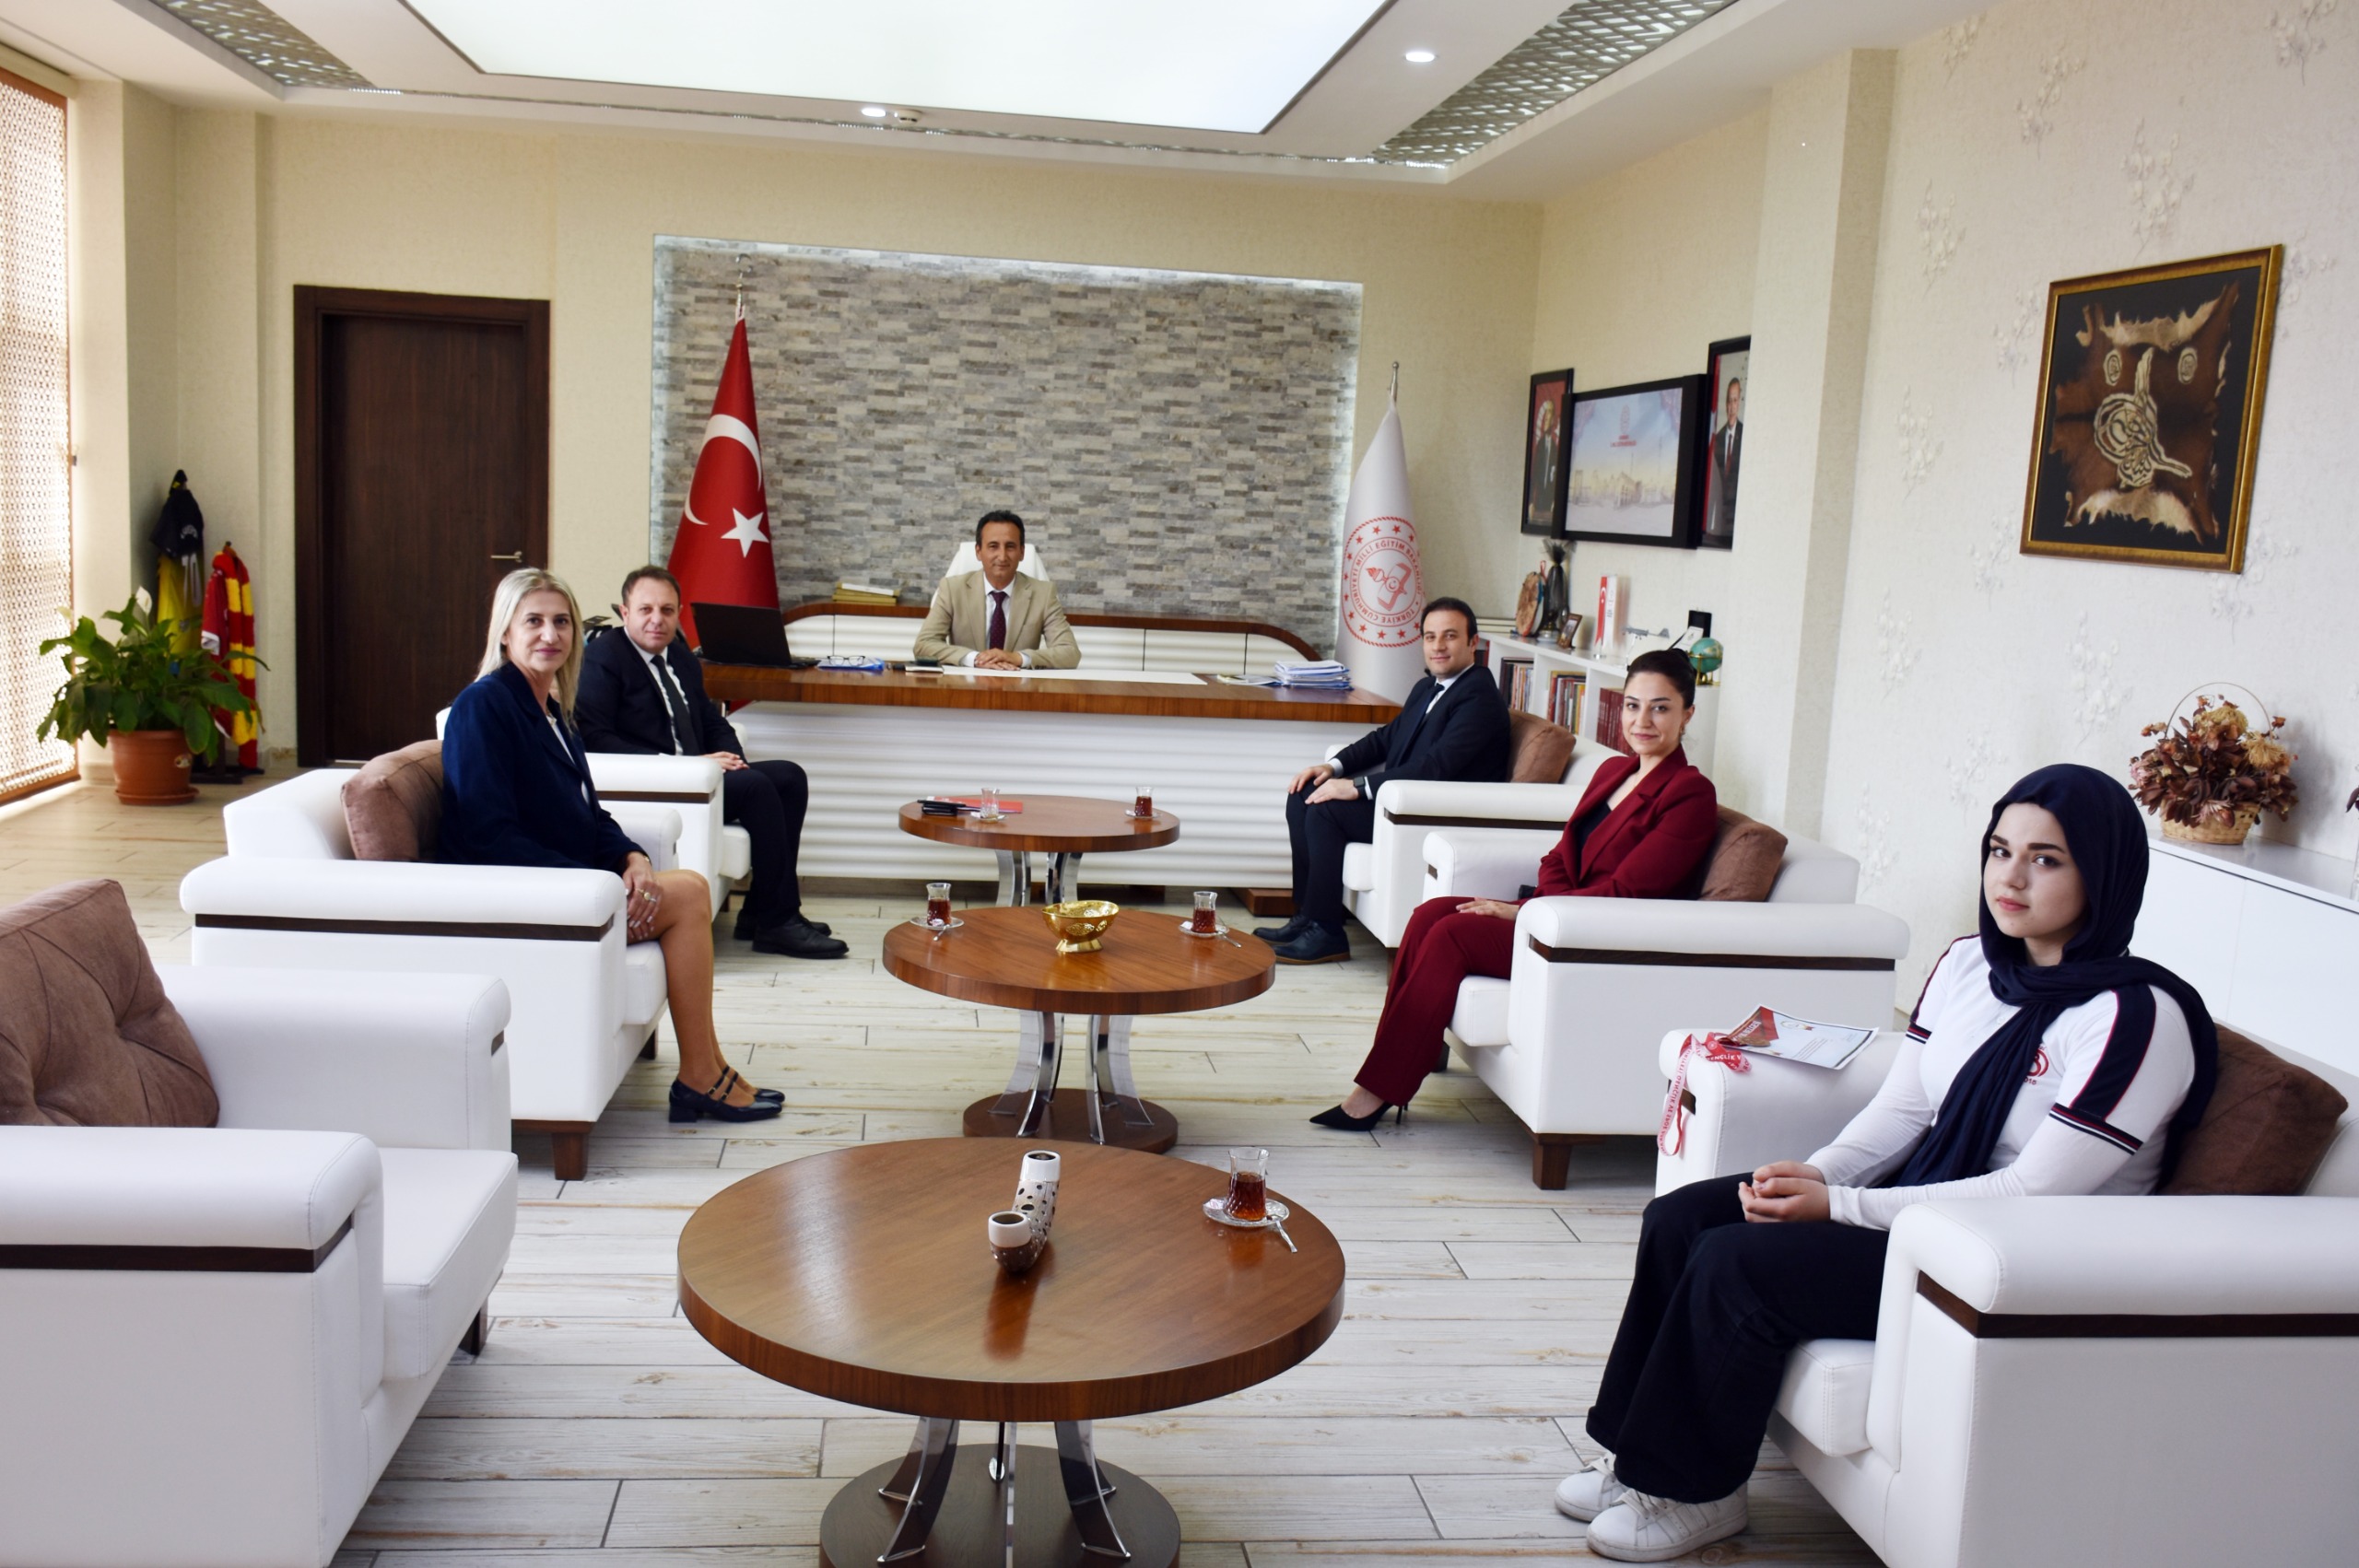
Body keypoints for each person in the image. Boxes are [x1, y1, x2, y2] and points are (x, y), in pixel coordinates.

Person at [1555, 762, 2217, 1562]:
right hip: (1927, 1201)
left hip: (2013, 1256)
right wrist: (1820, 1173)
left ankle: (1697, 1493)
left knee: (1738, 1263)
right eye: (2000, 850)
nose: (2010, 878)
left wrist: (1839, 1208)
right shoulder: (1972, 964)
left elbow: (2033, 1189)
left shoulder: (2136, 1018)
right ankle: (1635, 1456)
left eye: (2046, 860)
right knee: (1683, 1216)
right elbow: (1905, 1109)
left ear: (2103, 874)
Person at [1310, 649, 1715, 1125]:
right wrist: (1537, 905)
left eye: (1660, 708)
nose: (1641, 720)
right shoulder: (1614, 772)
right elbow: (1560, 855)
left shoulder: (1689, 794)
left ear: (1688, 714)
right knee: (1428, 915)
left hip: (1591, 936)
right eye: (1632, 705)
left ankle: (1376, 1092)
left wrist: (1527, 913)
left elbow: (1628, 894)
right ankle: (1397, 1065)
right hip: (1553, 914)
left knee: (1452, 934)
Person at [440, 568, 783, 1125]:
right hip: (525, 900)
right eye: (533, 621)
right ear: (504, 632)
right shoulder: (484, 707)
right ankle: (701, 1075)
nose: (550, 634)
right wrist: (596, 885)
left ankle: (706, 1067)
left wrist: (631, 857)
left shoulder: (551, 709)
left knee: (688, 887)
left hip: (571, 886)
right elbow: (488, 835)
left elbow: (588, 813)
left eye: (562, 622)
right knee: (689, 894)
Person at [576, 567, 847, 960]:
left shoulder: (679, 656)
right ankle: (779, 922)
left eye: (667, 610)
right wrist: (688, 765)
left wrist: (734, 760)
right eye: (646, 609)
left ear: (679, 613)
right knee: (757, 788)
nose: (657, 620)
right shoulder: (604, 659)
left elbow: (712, 720)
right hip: (661, 784)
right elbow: (595, 738)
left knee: (789, 777)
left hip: (699, 778)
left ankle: (759, 911)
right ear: (625, 611)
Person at [1255, 598, 1511, 965]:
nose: (1438, 646)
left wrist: (1357, 787)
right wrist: (1333, 767)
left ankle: (1327, 933)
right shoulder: (1429, 686)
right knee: (1304, 794)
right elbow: (1386, 739)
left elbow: (1436, 767)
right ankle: (1308, 916)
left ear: (1473, 643)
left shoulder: (1479, 698)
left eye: (1450, 636)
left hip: (1432, 815)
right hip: (1402, 802)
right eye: (1430, 637)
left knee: (1326, 811)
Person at [912, 509, 1080, 670]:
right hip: (965, 683)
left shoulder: (1043, 594)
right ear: (978, 552)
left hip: (1019, 683)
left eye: (1010, 546)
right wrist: (975, 659)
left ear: (1022, 552)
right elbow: (924, 645)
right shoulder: (952, 589)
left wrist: (1018, 658)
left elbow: (1070, 652)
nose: (1002, 556)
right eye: (993, 546)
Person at [1707, 376, 1743, 542]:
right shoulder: (1718, 439)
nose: (1731, 406)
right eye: (1729, 401)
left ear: (1739, 403)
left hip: (1738, 524)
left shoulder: (1746, 436)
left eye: (1735, 400)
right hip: (1719, 526)